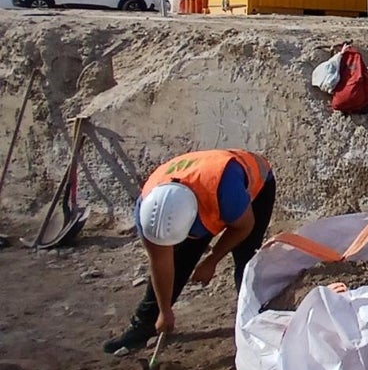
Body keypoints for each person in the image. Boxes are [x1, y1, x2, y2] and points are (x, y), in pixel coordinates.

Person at [103, 149, 276, 355]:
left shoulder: (225, 192)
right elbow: (160, 262)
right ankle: (145, 324)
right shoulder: (148, 211)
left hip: (255, 183)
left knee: (246, 260)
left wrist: (211, 261)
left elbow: (243, 227)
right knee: (180, 259)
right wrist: (164, 311)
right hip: (198, 190)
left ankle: (253, 322)